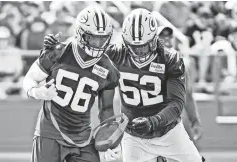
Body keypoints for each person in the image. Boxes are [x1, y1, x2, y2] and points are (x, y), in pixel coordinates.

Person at [23, 7, 121, 162]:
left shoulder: (108, 70)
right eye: (93, 38)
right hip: (50, 133)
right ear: (80, 33)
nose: (98, 43)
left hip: (82, 137)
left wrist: (112, 142)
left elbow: (107, 109)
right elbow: (29, 79)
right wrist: (37, 92)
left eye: (103, 38)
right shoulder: (59, 51)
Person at [107, 9, 202, 162]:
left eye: (143, 46)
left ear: (153, 39)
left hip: (168, 133)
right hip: (134, 136)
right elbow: (84, 52)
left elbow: (177, 103)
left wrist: (153, 122)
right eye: (134, 46)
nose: (138, 51)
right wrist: (57, 49)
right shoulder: (117, 54)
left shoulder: (170, 59)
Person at [158, 26, 203, 146]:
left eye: (169, 36)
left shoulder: (180, 64)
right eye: (162, 36)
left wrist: (194, 121)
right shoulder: (143, 64)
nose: (166, 39)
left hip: (175, 120)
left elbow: (187, 95)